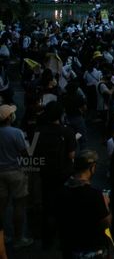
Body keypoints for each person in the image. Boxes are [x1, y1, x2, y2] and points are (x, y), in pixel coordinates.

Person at [35, 101, 76, 249]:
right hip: (64, 172)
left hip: (46, 172)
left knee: (48, 205)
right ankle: (65, 235)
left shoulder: (38, 130)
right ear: (60, 115)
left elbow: (33, 151)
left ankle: (47, 239)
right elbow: (71, 155)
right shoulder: (67, 132)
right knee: (65, 205)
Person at [58, 150, 111, 258]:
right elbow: (106, 223)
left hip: (70, 247)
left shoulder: (62, 191)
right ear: (92, 167)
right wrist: (106, 204)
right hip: (92, 249)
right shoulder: (95, 195)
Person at [0, 104, 33, 249]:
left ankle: (2, 236)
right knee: (19, 205)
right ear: (9, 118)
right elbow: (25, 153)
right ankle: (18, 238)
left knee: (1, 207)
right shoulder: (16, 132)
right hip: (15, 172)